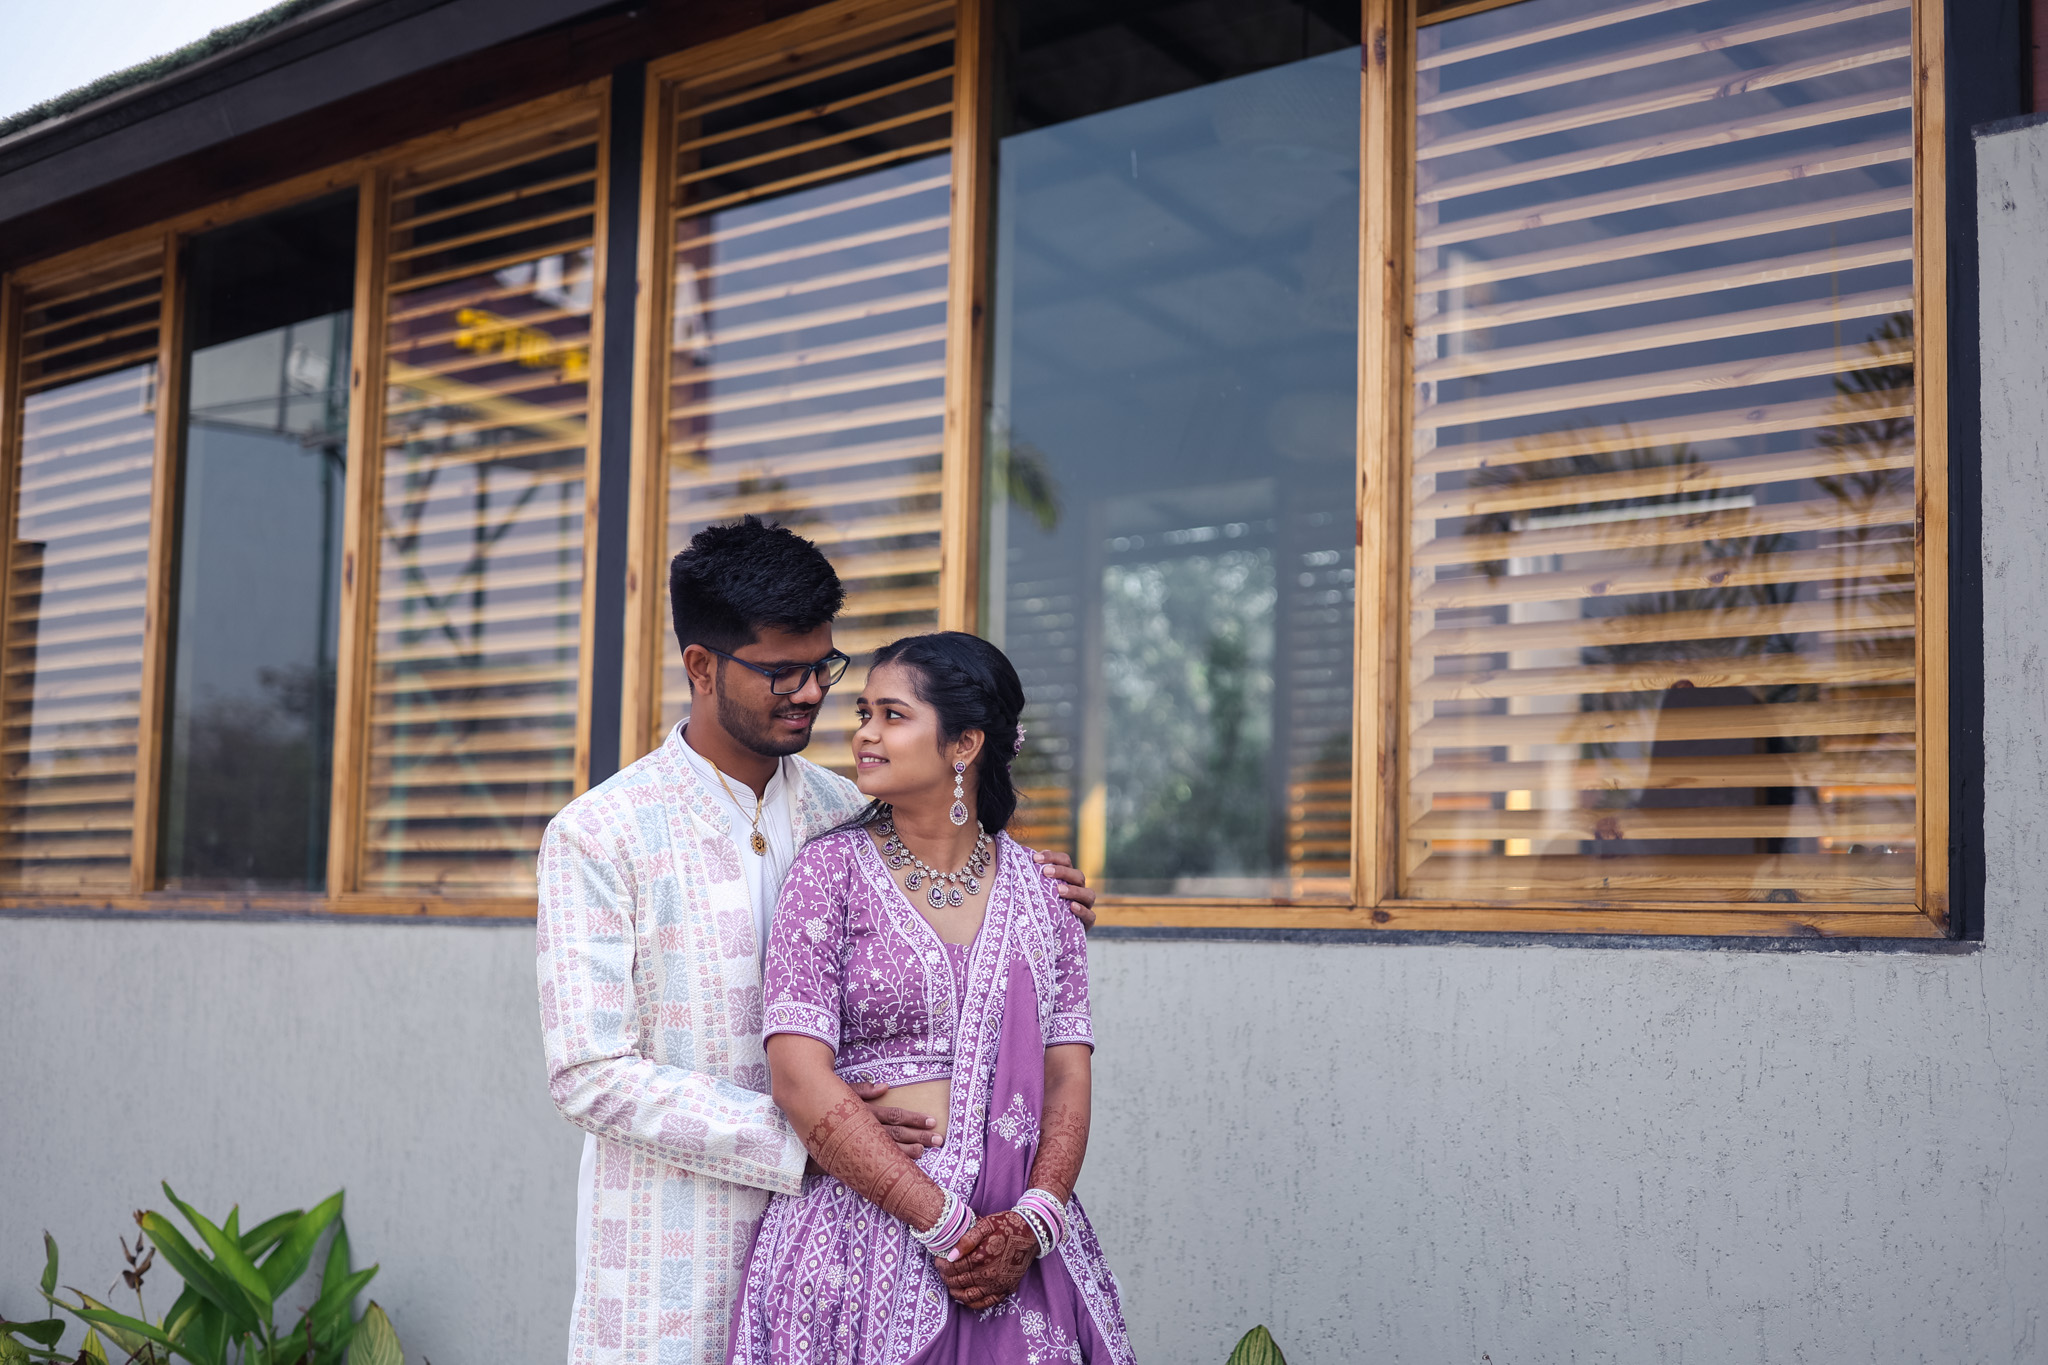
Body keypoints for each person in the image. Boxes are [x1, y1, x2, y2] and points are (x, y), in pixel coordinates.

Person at [537, 518, 1097, 1365]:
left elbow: (967, 868)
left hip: (858, 1257)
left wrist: (1038, 886)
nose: (809, 692)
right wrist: (809, 1131)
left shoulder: (849, 810)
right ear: (702, 667)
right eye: (781, 672)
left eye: (822, 666)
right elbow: (589, 1072)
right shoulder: (603, 834)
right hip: (674, 1253)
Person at [728, 632, 1134, 1365]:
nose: (864, 733)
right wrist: (945, 1223)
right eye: (864, 713)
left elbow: (1066, 1076)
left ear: (964, 744)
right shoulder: (829, 874)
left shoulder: (1044, 893)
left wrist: (1033, 1223)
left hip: (1018, 1241)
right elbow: (797, 1075)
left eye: (892, 715)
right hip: (857, 1242)